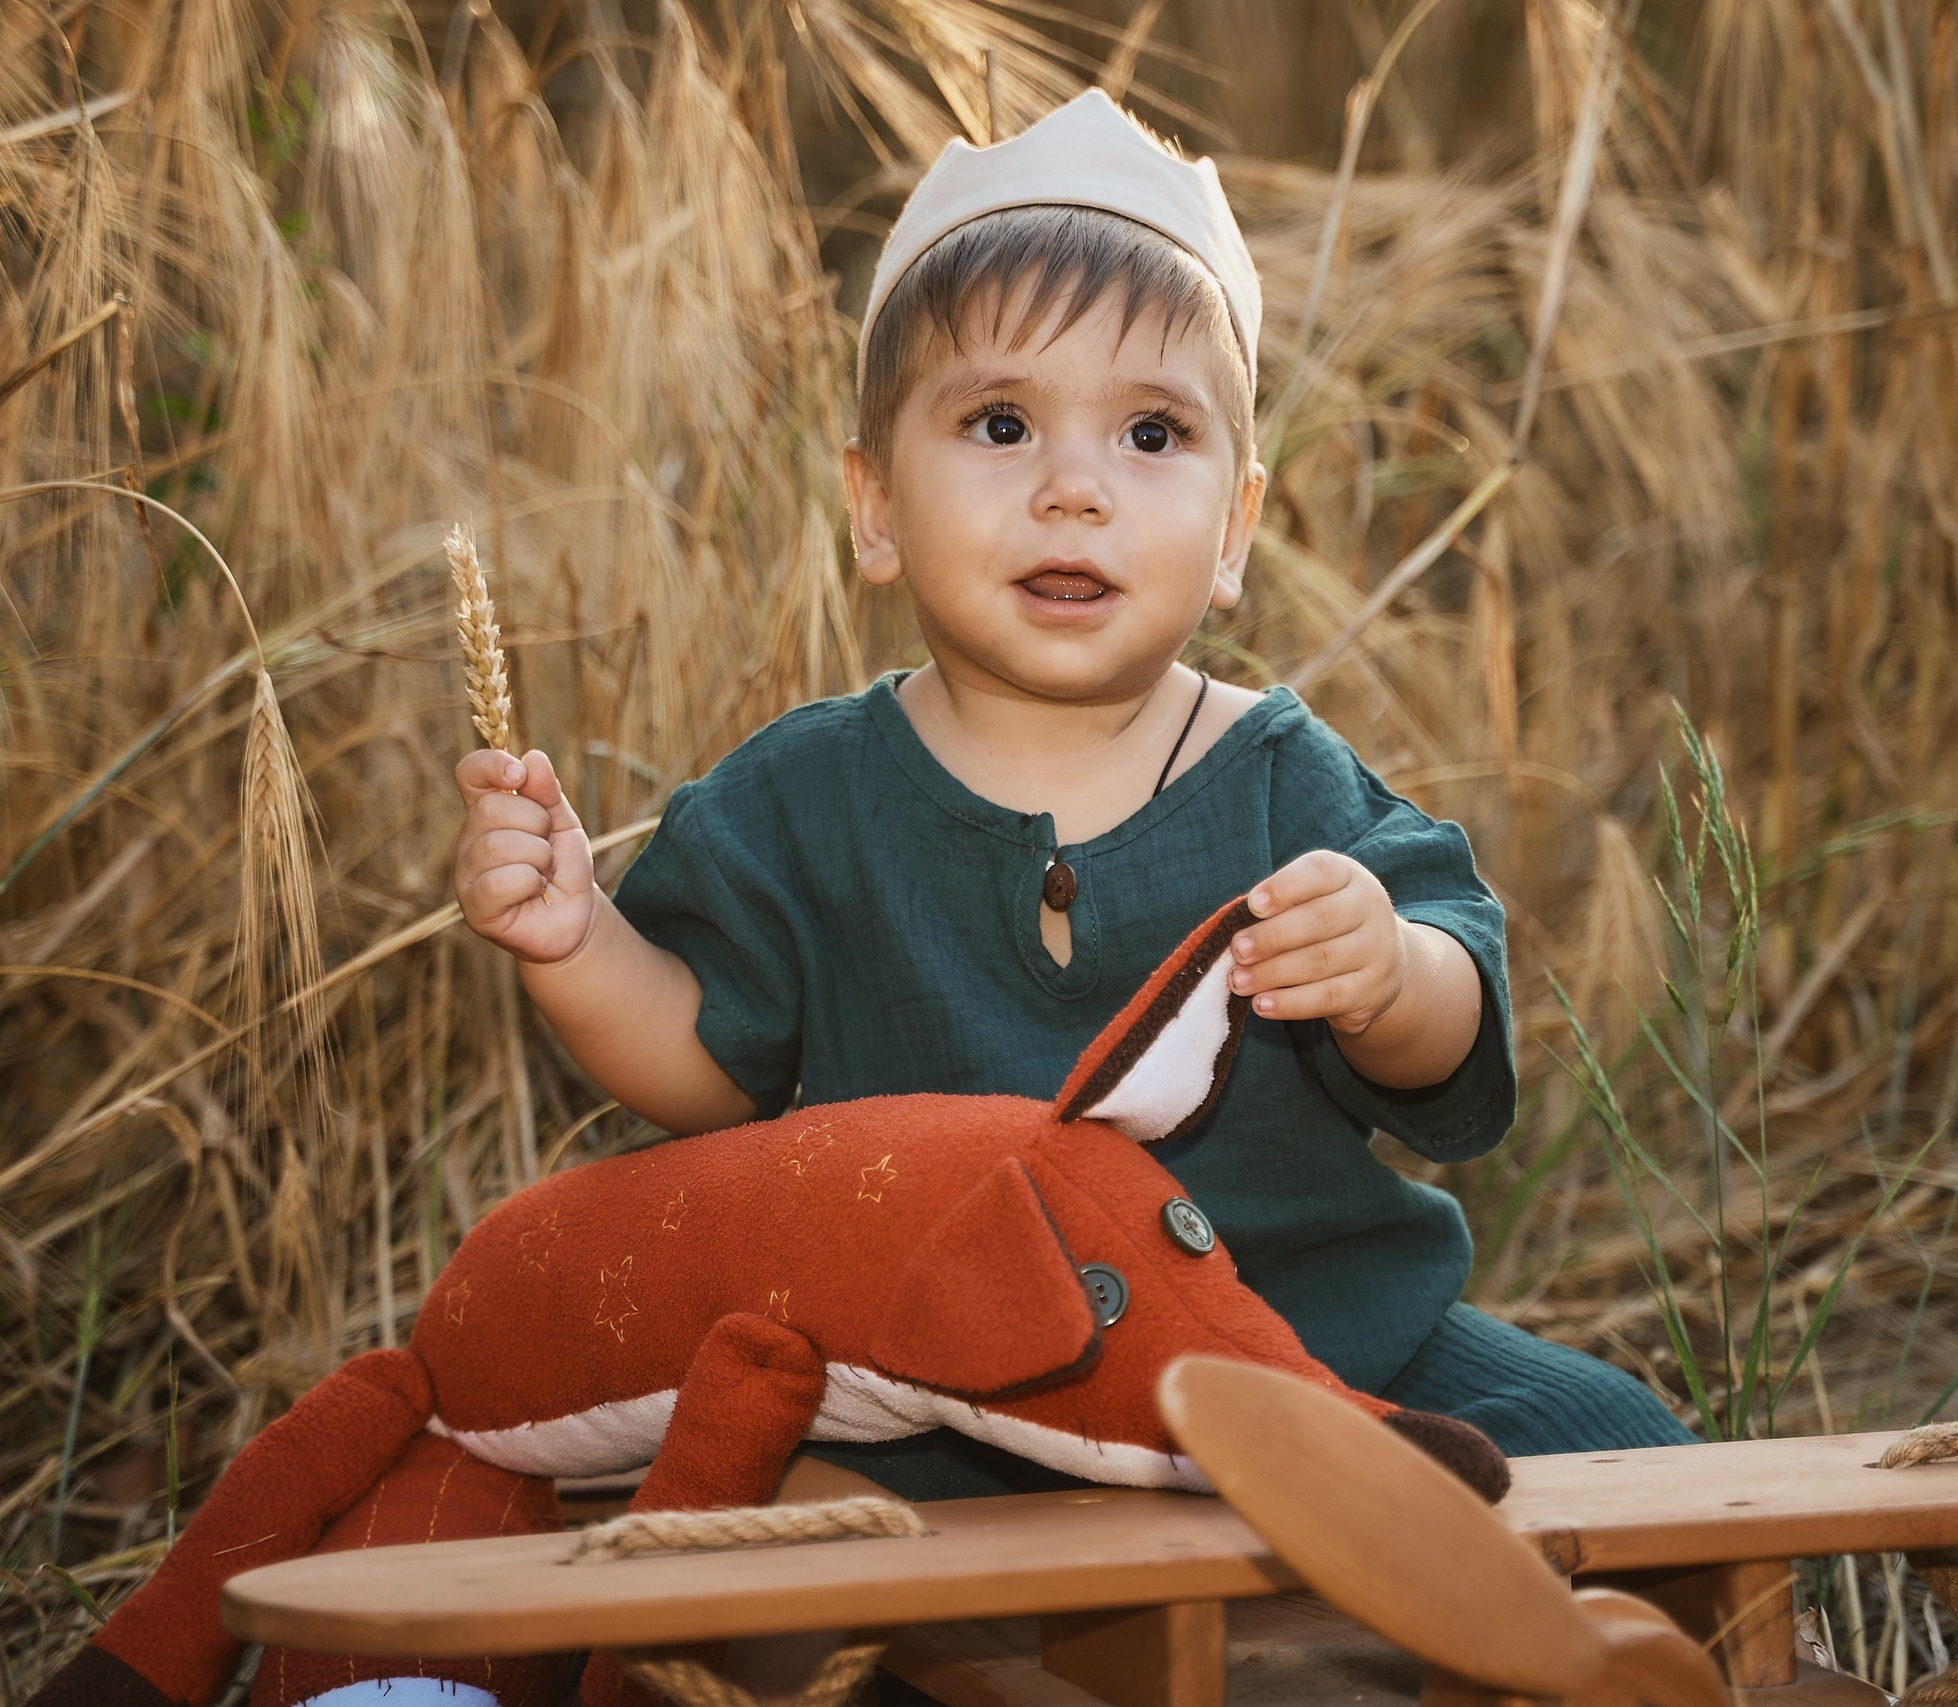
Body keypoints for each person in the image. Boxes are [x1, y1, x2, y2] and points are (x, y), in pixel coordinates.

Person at [450, 90, 1692, 1499]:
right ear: (874, 505)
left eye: (1151, 436)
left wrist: (1391, 973)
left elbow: (1450, 1040)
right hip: (953, 1392)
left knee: (1622, 1452)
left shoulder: (1278, 777)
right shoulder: (806, 796)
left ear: (1234, 530)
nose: (1074, 489)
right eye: (1000, 424)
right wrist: (577, 943)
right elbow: (703, 1067)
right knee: (790, 1533)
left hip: (1316, 1342)